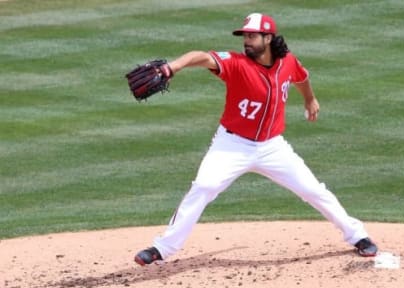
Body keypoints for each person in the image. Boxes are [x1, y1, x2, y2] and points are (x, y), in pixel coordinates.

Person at [134, 13, 377, 266]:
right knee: (204, 187)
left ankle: (358, 236)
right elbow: (203, 57)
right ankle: (162, 248)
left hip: (272, 147)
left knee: (313, 190)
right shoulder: (236, 64)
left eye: (252, 36)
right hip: (231, 145)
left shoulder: (287, 62)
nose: (246, 41)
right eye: (245, 36)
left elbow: (302, 78)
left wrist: (309, 99)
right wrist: (172, 67)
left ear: (268, 38)